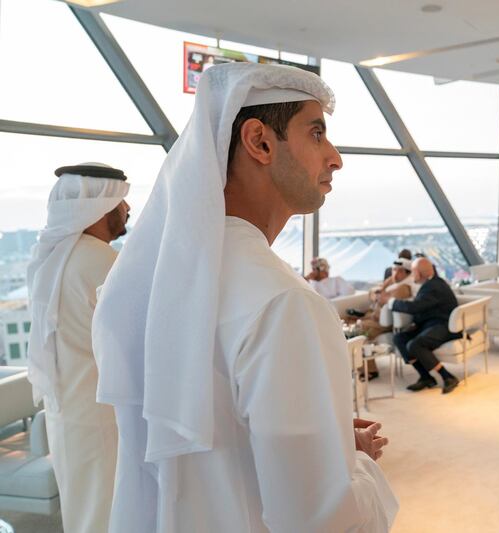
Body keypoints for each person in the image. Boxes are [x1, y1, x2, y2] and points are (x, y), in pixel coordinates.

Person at [92, 63, 397, 532]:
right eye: (317, 134)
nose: (334, 157)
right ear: (260, 141)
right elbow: (319, 520)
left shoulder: (154, 284)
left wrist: (327, 443)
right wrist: (357, 468)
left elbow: (200, 451)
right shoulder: (283, 302)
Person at [26, 163, 130, 533]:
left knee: (81, 509)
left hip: (66, 413)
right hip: (104, 416)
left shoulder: (48, 261)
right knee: (108, 511)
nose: (127, 210)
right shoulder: (104, 262)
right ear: (97, 207)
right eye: (120, 201)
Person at [379, 257, 460, 394]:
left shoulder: (433, 287)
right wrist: (415, 323)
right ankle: (426, 377)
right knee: (399, 338)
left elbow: (415, 307)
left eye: (412, 272)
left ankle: (448, 377)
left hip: (445, 326)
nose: (411, 274)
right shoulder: (430, 284)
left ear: (418, 273)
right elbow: (425, 307)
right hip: (431, 323)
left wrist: (390, 301)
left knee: (415, 344)